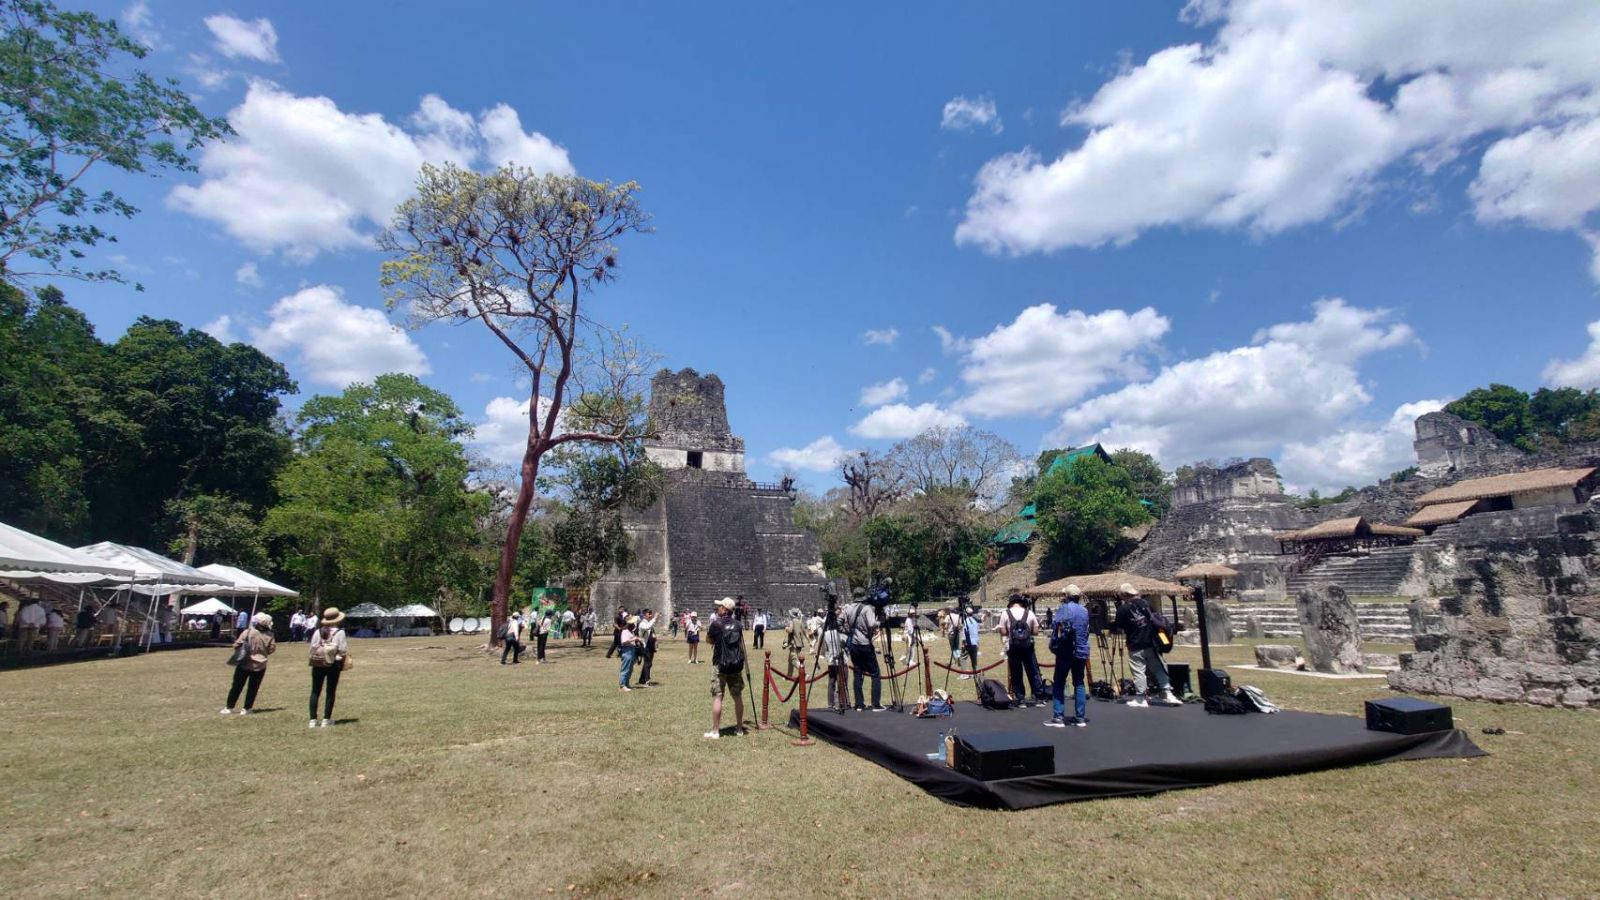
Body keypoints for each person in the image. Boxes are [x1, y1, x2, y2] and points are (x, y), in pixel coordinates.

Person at [1112, 584, 1179, 708]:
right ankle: (1168, 693)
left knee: (1139, 671)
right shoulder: (1145, 604)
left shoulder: (1122, 609)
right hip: (1151, 643)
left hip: (1135, 644)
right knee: (1158, 668)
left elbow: (1118, 626)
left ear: (1123, 595)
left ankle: (1141, 698)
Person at [1047, 585, 1092, 728]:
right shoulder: (1084, 610)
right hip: (1081, 649)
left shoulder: (1064, 609)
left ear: (1067, 595)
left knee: (1059, 682)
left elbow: (1056, 626)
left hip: (1066, 651)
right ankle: (1080, 717)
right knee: (1079, 682)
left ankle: (1058, 716)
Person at [994, 594, 1046, 706]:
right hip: (1028, 646)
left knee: (1016, 673)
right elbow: (1036, 631)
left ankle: (1020, 698)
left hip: (1013, 647)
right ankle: (1039, 697)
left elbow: (1003, 632)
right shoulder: (1029, 613)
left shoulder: (1005, 613)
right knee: (1033, 671)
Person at [705, 597, 747, 738]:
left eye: (720, 606)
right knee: (737, 696)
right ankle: (740, 729)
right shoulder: (738, 624)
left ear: (724, 609)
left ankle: (716, 731)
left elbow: (709, 639)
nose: (718, 608)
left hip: (720, 664)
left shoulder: (716, 624)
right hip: (735, 665)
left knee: (718, 697)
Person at [222, 612, 277, 716]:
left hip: (244, 663)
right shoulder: (270, 635)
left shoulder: (248, 632)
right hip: (260, 665)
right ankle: (247, 708)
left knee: (237, 686)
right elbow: (271, 649)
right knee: (253, 688)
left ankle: (229, 707)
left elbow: (236, 645)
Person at [841, 588, 884, 711]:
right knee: (875, 673)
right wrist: (880, 622)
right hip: (865, 643)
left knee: (857, 674)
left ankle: (859, 703)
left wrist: (847, 631)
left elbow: (840, 621)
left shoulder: (848, 608)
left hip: (854, 644)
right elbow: (871, 624)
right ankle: (875, 703)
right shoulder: (867, 608)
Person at [308, 607, 349, 728]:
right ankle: (326, 719)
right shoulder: (339, 632)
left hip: (318, 663)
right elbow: (343, 650)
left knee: (315, 691)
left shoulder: (318, 631)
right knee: (330, 691)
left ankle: (313, 719)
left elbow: (312, 647)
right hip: (333, 664)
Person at [634, 608, 658, 686]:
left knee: (648, 663)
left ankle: (642, 679)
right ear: (644, 615)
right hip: (645, 646)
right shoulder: (642, 623)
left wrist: (656, 642)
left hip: (651, 646)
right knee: (648, 663)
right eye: (649, 614)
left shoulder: (649, 622)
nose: (650, 615)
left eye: (651, 613)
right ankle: (647, 681)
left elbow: (652, 633)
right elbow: (648, 627)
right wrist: (655, 618)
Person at [781, 607, 808, 677]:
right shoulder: (800, 622)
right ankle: (789, 675)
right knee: (790, 661)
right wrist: (810, 642)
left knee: (794, 660)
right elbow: (805, 633)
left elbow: (790, 630)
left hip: (794, 644)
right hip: (799, 644)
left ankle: (804, 674)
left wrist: (786, 628)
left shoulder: (792, 621)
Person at [617, 615, 640, 691]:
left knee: (630, 669)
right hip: (627, 651)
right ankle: (622, 685)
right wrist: (634, 639)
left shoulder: (631, 631)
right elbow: (624, 642)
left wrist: (636, 640)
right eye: (633, 623)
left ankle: (627, 684)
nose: (634, 624)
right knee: (625, 668)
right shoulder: (625, 631)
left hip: (632, 650)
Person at [959, 603, 981, 679]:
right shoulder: (975, 621)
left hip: (968, 643)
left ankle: (964, 674)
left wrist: (963, 643)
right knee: (974, 659)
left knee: (963, 658)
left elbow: (965, 633)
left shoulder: (965, 621)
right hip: (975, 643)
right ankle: (975, 673)